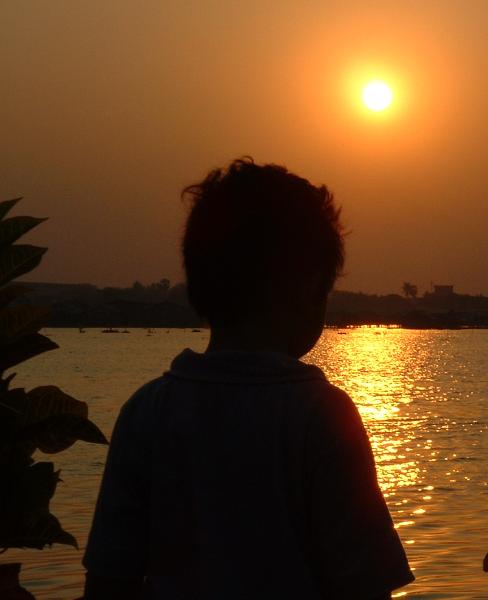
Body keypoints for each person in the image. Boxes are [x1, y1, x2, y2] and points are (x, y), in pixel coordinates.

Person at [82, 158, 414, 599]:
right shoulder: (323, 416)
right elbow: (365, 584)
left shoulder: (146, 412)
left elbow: (109, 581)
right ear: (310, 286)